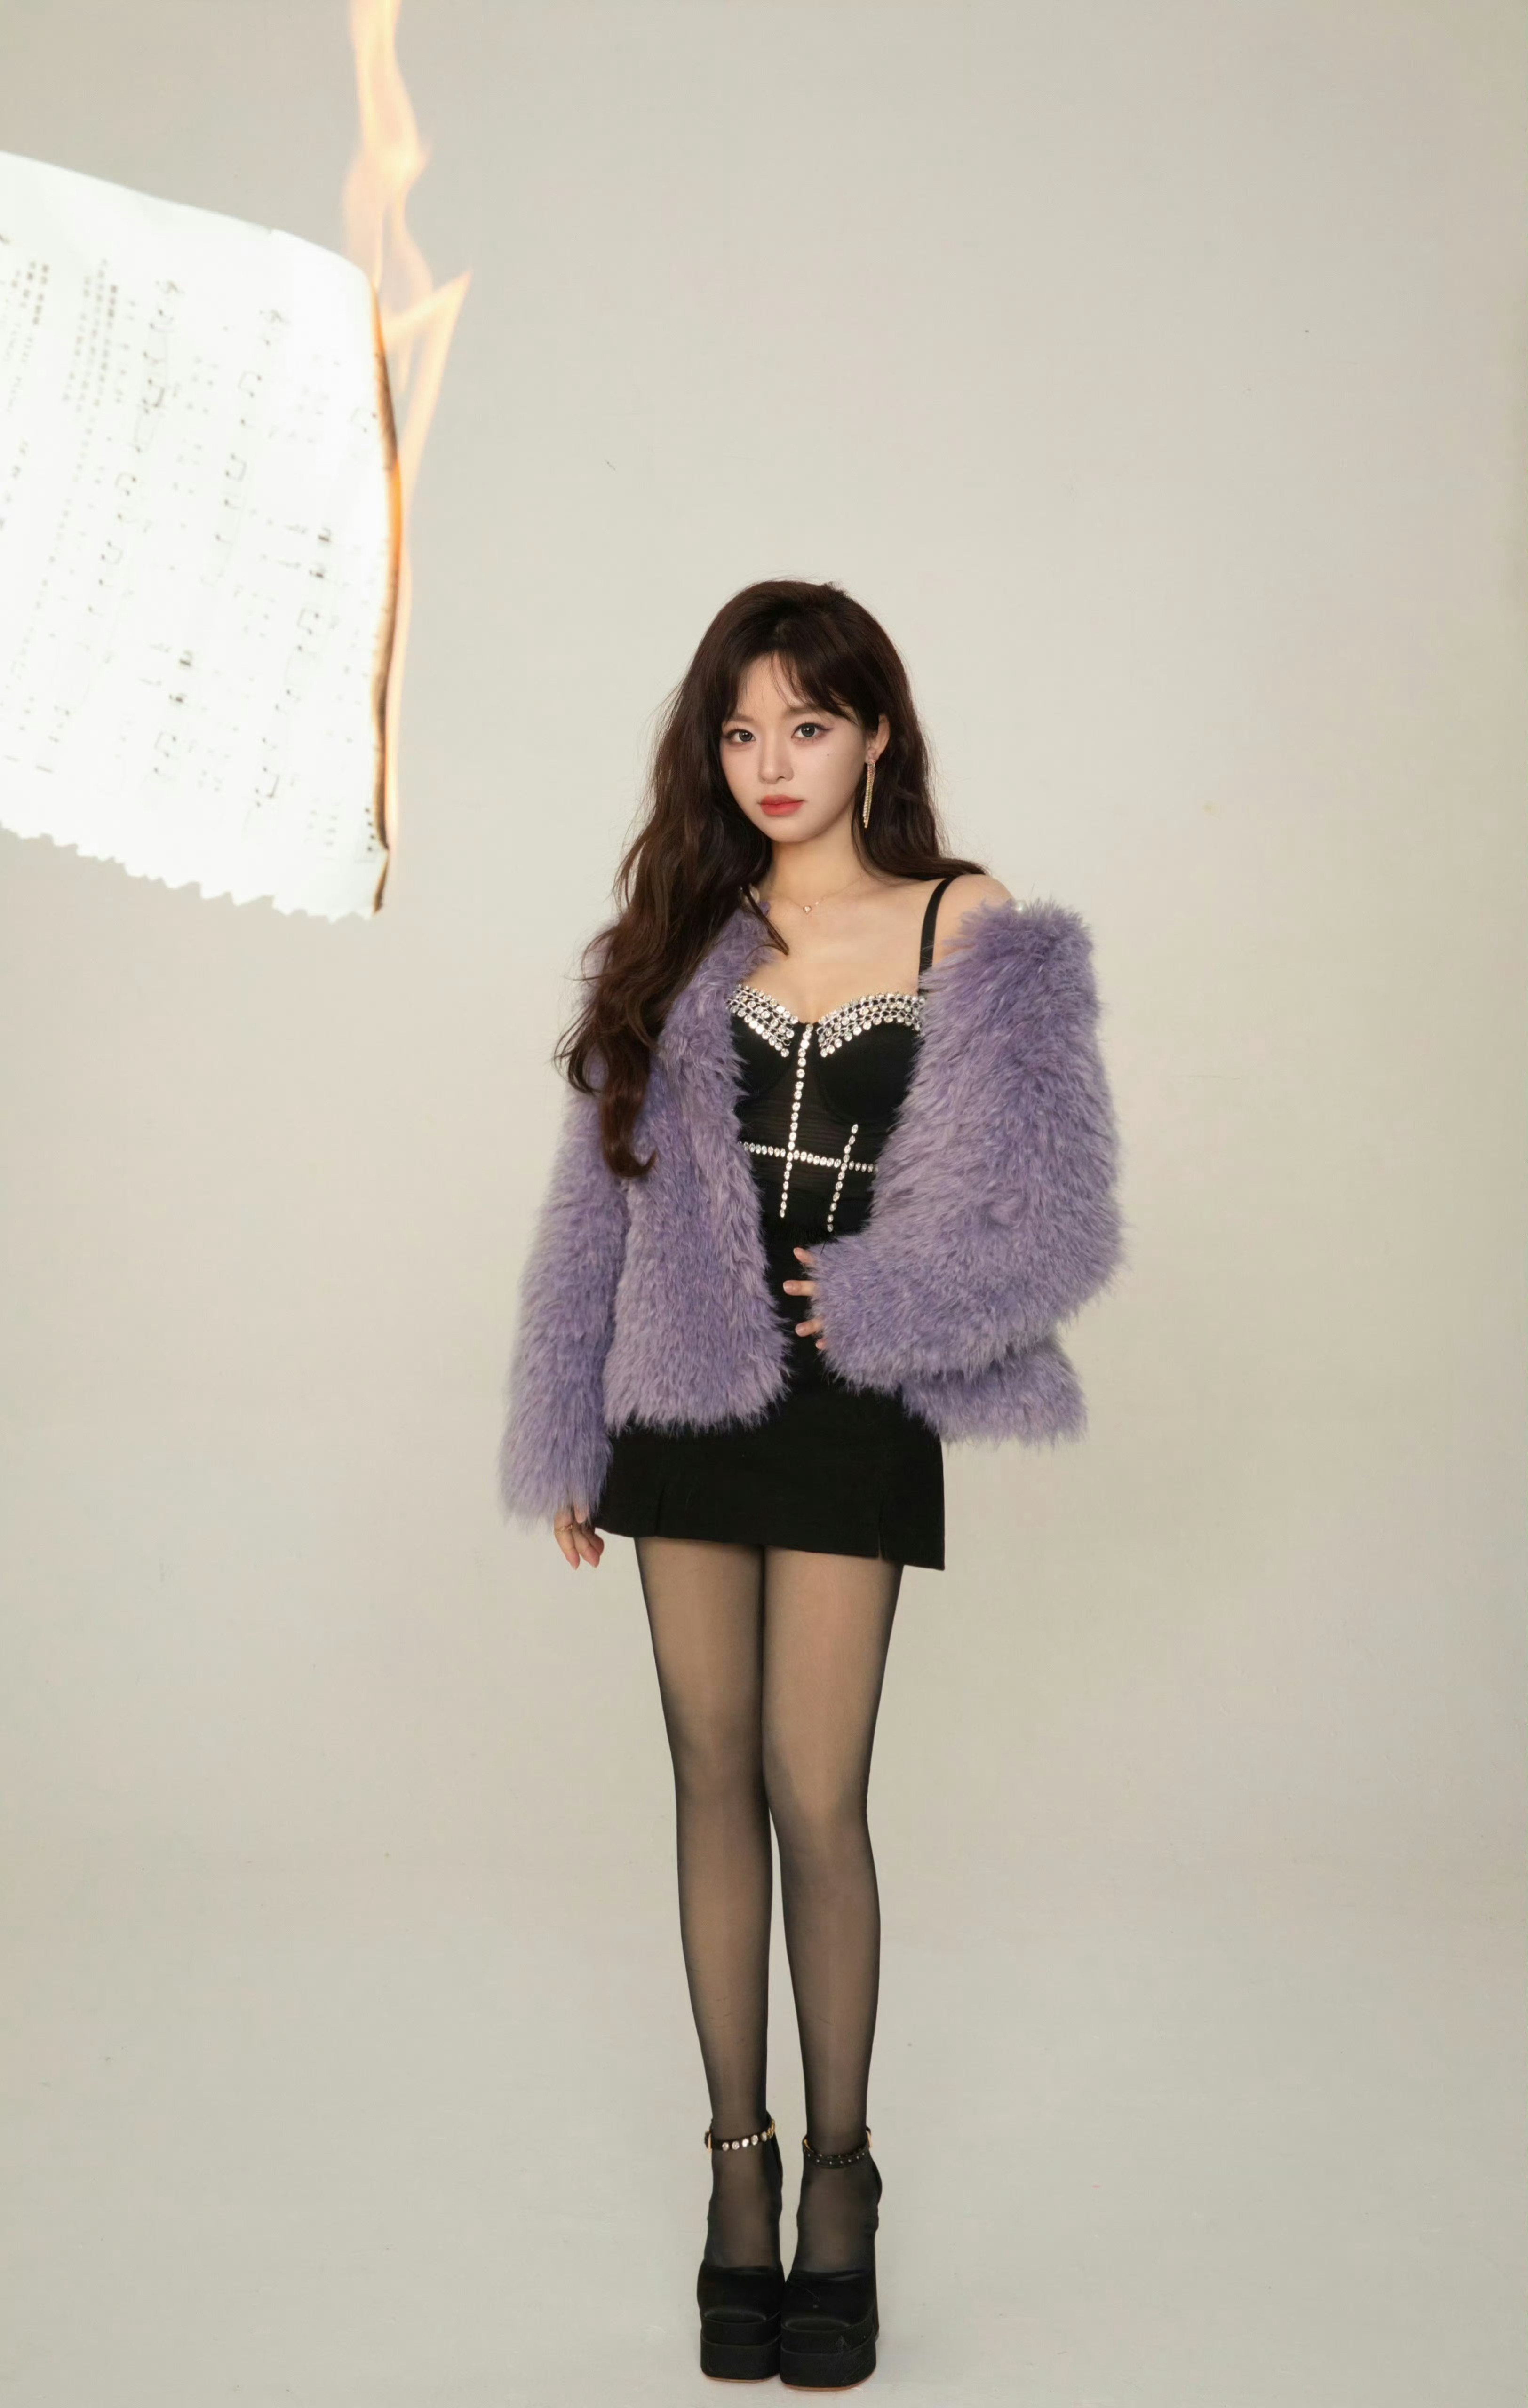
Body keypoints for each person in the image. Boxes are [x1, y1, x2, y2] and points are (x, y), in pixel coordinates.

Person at [498, 578, 1123, 2387]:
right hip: (682, 1390)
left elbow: (1057, 1217)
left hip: (854, 1403)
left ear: (875, 736)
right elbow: (594, 1198)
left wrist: (879, 1298)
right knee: (705, 1769)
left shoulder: (967, 923)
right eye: (741, 731)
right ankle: (739, 2179)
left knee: (810, 1784)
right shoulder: (685, 936)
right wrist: (566, 1422)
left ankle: (843, 2181)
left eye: (809, 725)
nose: (772, 763)